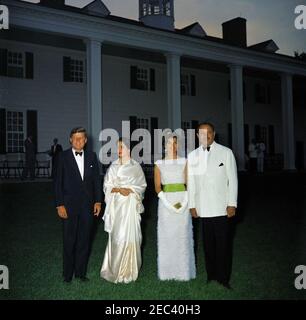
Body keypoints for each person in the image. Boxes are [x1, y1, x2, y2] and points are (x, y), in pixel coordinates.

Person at [188, 122, 238, 289]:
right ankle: (211, 276)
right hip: (203, 208)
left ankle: (224, 279)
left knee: (223, 245)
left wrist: (232, 203)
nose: (206, 135)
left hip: (222, 208)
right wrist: (192, 205)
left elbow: (233, 180)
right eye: (202, 133)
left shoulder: (226, 152)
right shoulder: (192, 155)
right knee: (208, 246)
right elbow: (191, 183)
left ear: (214, 134)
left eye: (209, 132)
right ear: (197, 136)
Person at [54, 127, 102, 283]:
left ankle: (81, 273)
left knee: (84, 240)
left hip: (87, 206)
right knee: (69, 240)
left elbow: (96, 181)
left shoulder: (92, 156)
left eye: (81, 138)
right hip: (68, 206)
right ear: (70, 139)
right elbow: (57, 183)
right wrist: (59, 204)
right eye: (75, 138)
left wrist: (98, 201)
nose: (78, 141)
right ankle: (67, 274)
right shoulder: (62, 157)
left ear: (86, 140)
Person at [101, 138, 147, 284]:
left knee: (132, 236)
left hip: (131, 206)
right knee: (117, 235)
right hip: (117, 206)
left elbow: (142, 186)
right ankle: (114, 269)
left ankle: (130, 270)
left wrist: (131, 190)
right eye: (118, 147)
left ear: (129, 149)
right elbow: (107, 186)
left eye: (122, 147)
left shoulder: (136, 167)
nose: (119, 150)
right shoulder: (113, 166)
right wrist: (118, 189)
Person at [154, 135, 196, 281]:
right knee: (167, 236)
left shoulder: (184, 162)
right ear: (164, 145)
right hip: (165, 203)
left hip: (182, 200)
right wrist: (166, 202)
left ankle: (184, 273)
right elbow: (157, 187)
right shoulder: (159, 163)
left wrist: (185, 202)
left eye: (175, 143)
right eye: (169, 143)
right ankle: (167, 273)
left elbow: (189, 183)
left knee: (182, 235)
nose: (172, 146)